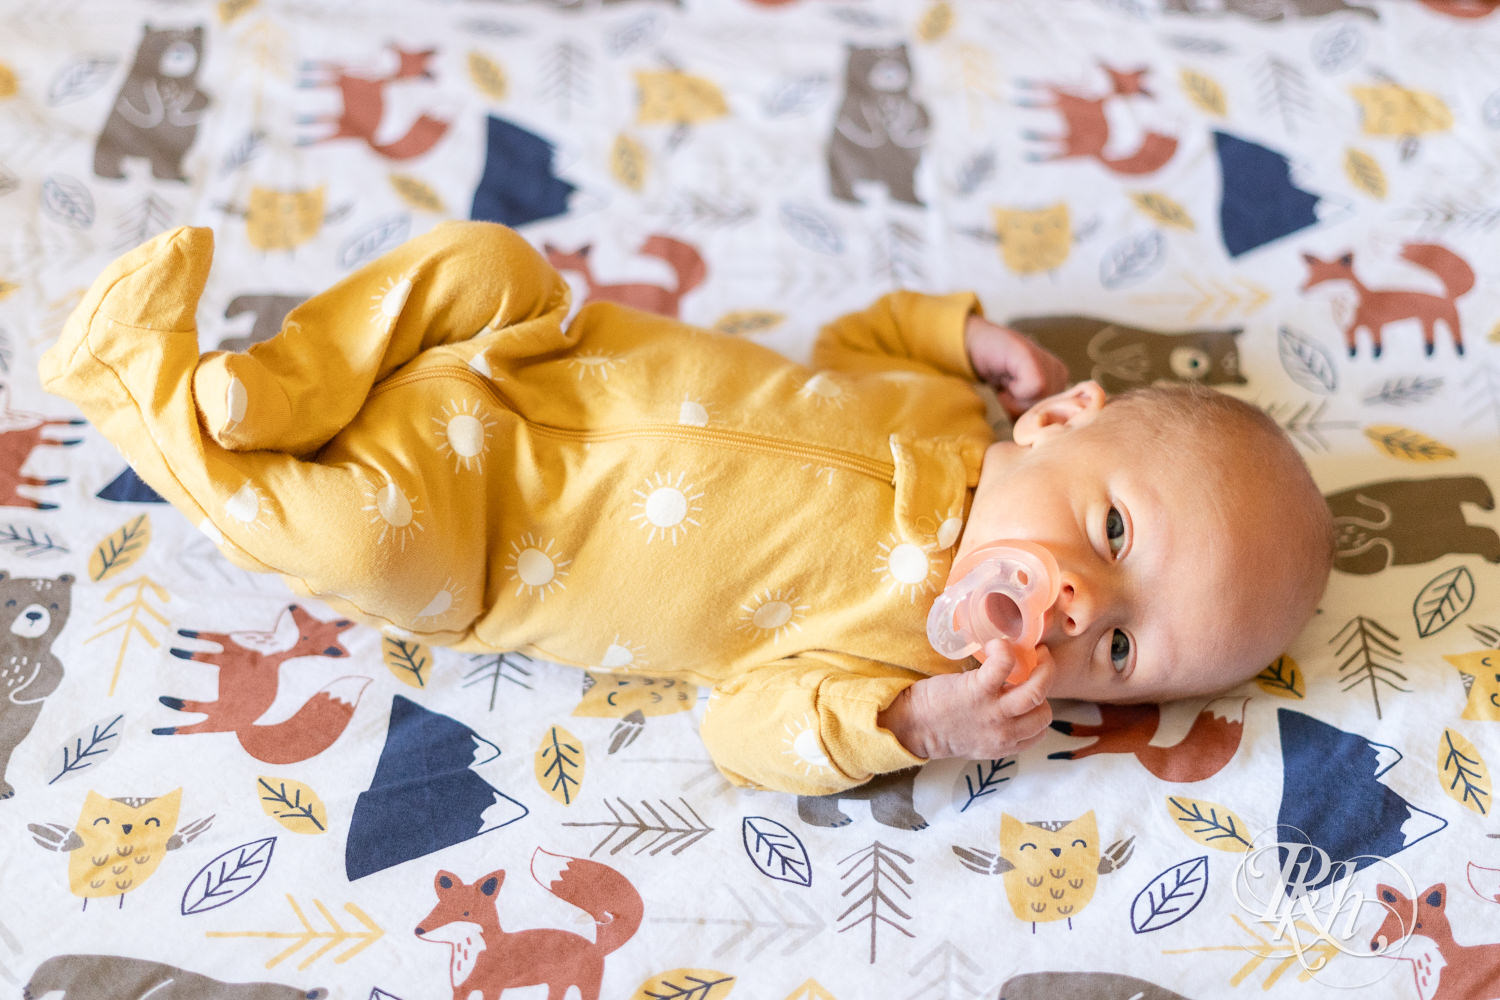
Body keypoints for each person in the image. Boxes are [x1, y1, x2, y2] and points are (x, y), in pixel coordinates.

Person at [40, 221, 1332, 796]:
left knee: (344, 542)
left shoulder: (893, 649)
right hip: (527, 357)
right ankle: (283, 387)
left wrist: (915, 724)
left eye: (1118, 647)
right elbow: (855, 335)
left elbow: (746, 731)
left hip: (470, 541)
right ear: (1056, 423)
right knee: (485, 258)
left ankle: (139, 389)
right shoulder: (949, 411)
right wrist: (963, 333)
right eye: (1114, 537)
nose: (1081, 602)